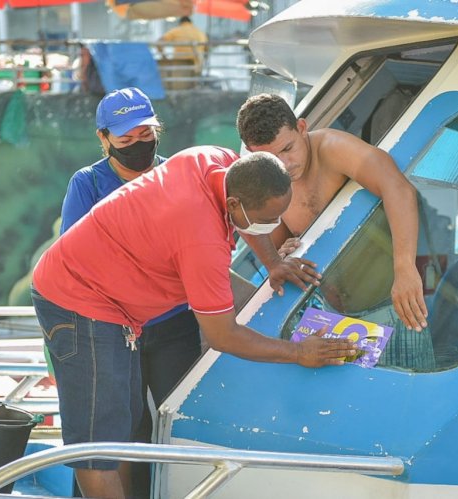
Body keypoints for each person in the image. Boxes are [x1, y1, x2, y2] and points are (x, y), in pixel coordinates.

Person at [32, 145, 356, 499]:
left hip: (112, 300)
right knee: (99, 448)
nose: (274, 226)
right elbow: (222, 334)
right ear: (234, 205)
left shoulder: (214, 160)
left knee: (123, 426)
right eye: (268, 218)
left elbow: (248, 214)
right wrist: (298, 353)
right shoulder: (201, 239)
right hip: (78, 301)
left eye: (280, 215)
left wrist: (272, 261)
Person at [59, 87, 202, 498]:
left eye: (145, 135)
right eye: (125, 140)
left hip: (173, 323)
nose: (137, 146)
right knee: (120, 429)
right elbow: (76, 258)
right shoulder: (87, 184)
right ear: (103, 139)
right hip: (113, 329)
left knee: (184, 420)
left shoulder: (178, 175)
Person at [236, 93, 427, 332]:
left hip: (396, 300)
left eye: (287, 148)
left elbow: (398, 189)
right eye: (270, 158)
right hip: (331, 315)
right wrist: (281, 256)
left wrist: (405, 269)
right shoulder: (266, 182)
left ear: (301, 127)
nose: (283, 164)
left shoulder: (332, 148)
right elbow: (280, 249)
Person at [158, 16, 207, 90]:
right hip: (196, 67)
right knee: (193, 90)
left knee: (178, 89)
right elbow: (206, 49)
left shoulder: (177, 30)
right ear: (191, 23)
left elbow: (159, 42)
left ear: (180, 23)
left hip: (179, 66)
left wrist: (164, 56)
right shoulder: (200, 33)